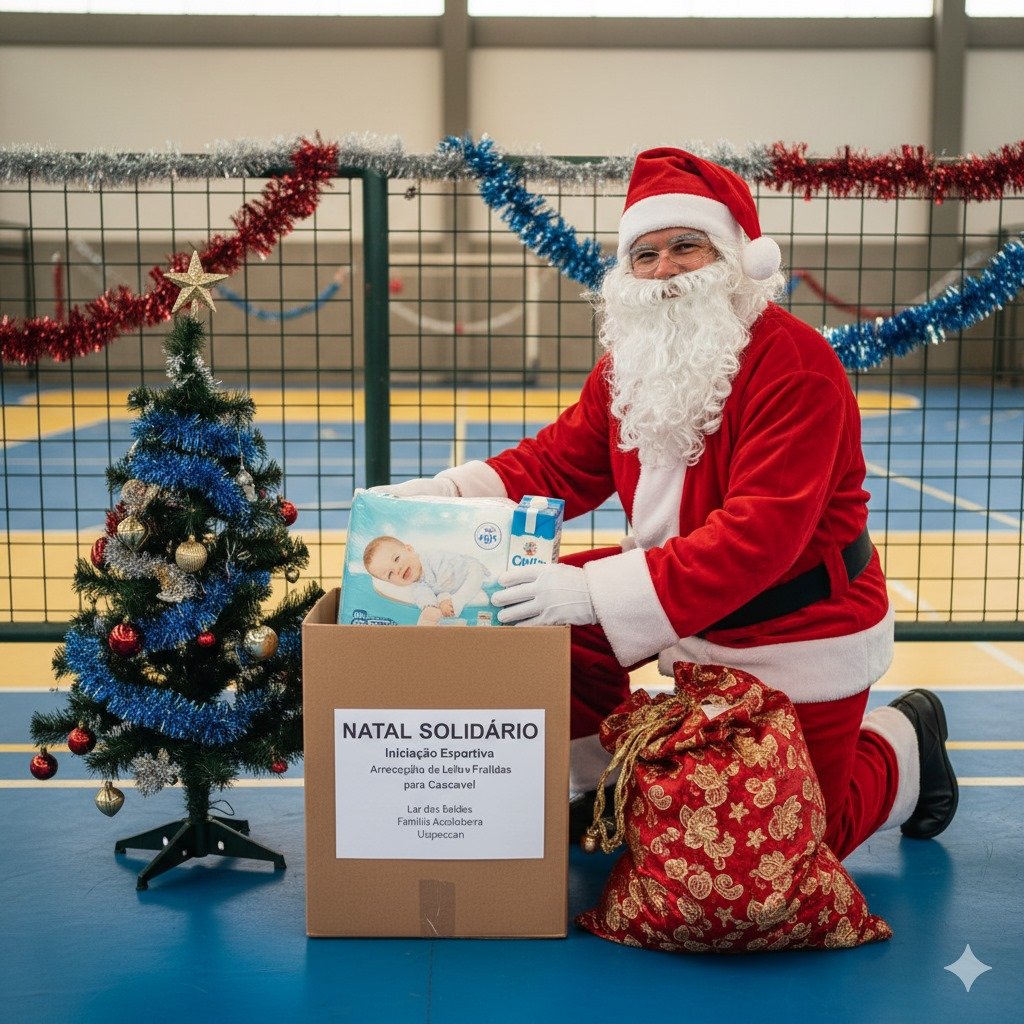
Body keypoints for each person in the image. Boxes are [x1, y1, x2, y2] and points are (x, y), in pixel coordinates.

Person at [377, 147, 957, 856]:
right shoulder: (628, 363)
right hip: (674, 598)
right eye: (644, 254)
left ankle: (906, 746)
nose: (664, 270)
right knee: (522, 612)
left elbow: (760, 537)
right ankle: (609, 792)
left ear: (737, 258)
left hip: (794, 625)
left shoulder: (798, 365)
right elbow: (558, 462)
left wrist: (590, 592)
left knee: (789, 852)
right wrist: (440, 496)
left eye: (687, 245)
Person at [362, 534, 491, 624]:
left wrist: (444, 598)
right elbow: (423, 595)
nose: (397, 570)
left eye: (396, 559)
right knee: (426, 596)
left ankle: (457, 602)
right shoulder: (417, 584)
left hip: (469, 569)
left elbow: (448, 577)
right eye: (390, 574)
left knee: (471, 582)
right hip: (449, 587)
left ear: (410, 549)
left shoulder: (431, 558)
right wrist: (430, 607)